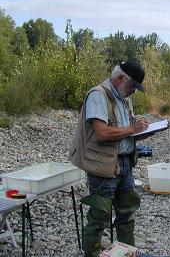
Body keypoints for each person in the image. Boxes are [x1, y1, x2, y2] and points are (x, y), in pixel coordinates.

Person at [69, 60, 150, 257]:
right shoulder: (98, 95)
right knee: (98, 219)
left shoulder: (124, 99)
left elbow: (123, 131)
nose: (133, 91)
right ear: (121, 78)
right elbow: (102, 134)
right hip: (103, 167)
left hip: (125, 165)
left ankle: (126, 254)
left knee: (127, 215)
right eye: (132, 86)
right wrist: (133, 129)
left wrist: (141, 132)